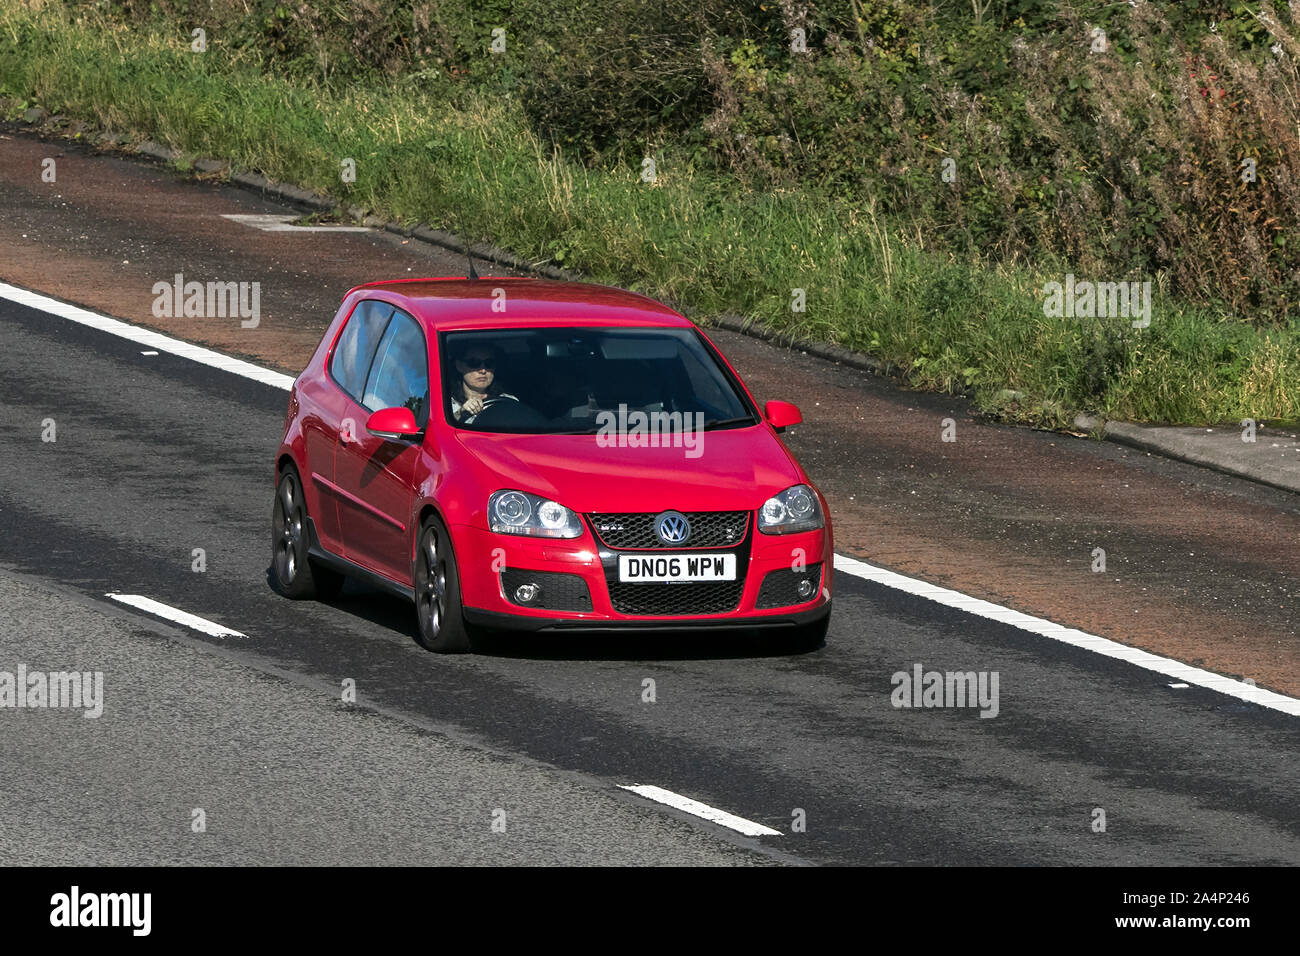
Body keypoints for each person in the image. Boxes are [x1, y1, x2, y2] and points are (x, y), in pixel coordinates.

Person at [450, 345, 517, 424]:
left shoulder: (508, 402)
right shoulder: (446, 404)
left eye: (489, 363)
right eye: (474, 362)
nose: (483, 370)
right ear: (459, 366)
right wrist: (460, 414)